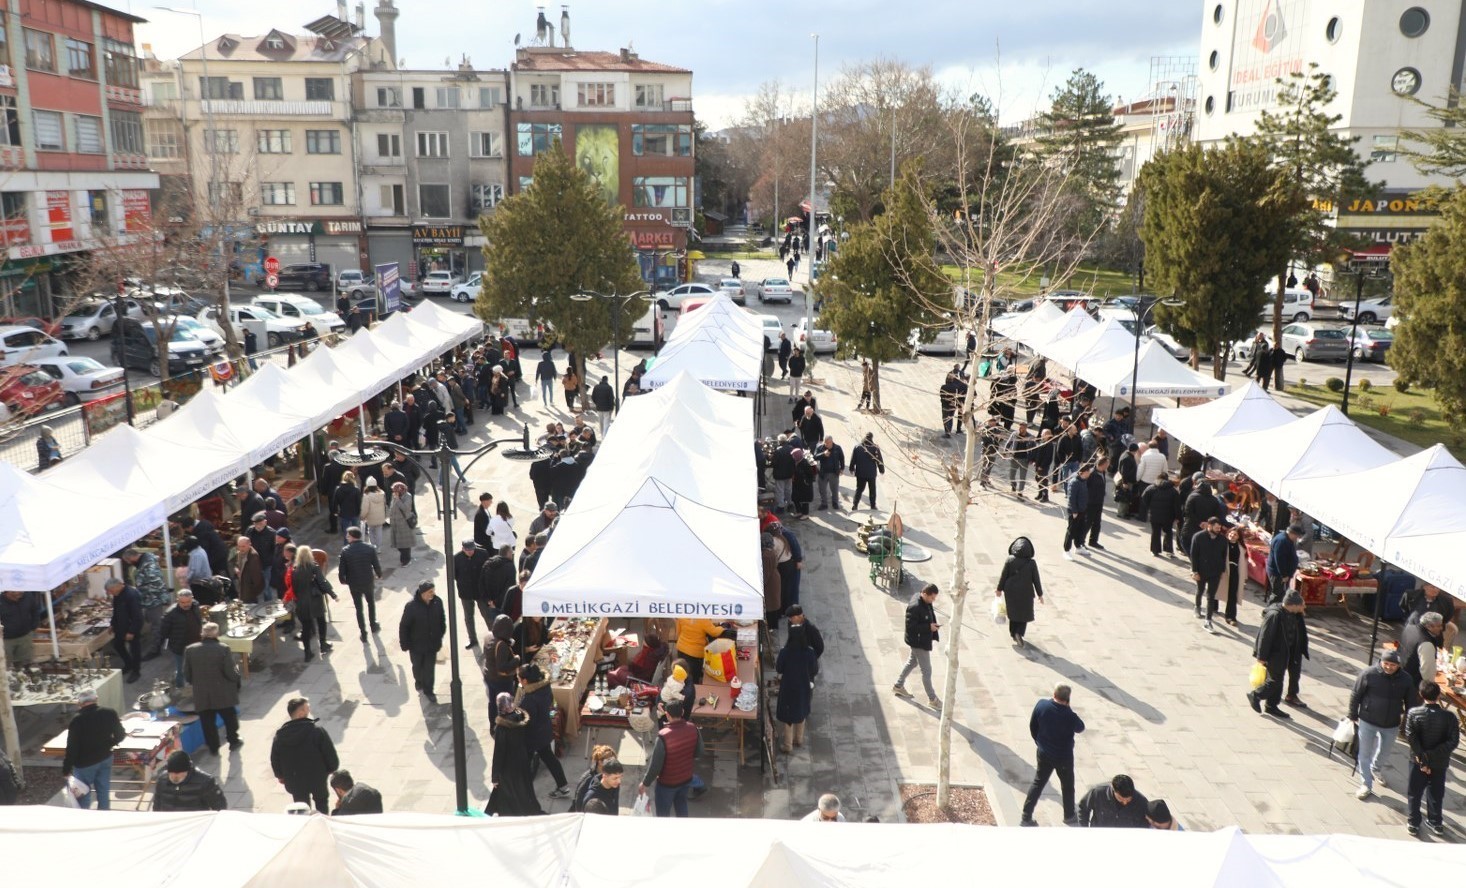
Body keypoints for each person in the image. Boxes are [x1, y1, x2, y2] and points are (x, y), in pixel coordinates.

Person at [1349, 649, 1420, 799]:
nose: (1389, 667)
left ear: (1398, 665)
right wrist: (1352, 714)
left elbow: (1411, 703)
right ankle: (1366, 784)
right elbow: (1356, 694)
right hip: (1368, 720)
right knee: (1364, 754)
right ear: (1380, 662)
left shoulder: (1406, 679)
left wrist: (1412, 722)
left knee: (1385, 751)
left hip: (1392, 723)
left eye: (1392, 665)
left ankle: (1376, 768)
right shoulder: (1368, 674)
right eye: (1386, 663)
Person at [1020, 683, 1085, 826]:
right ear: (1068, 699)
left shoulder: (1042, 705)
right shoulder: (1070, 716)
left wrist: (1039, 742)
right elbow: (1081, 727)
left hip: (1044, 752)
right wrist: (1068, 709)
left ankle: (1026, 816)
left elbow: (1033, 726)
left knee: (1038, 783)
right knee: (1067, 786)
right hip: (1063, 757)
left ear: (1054, 694)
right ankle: (1069, 815)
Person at [1405, 681, 1460, 837]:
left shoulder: (1413, 713)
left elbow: (1411, 736)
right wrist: (1431, 756)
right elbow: (1453, 741)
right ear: (1438, 696)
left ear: (1421, 695)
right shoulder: (1450, 717)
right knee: (1436, 792)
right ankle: (1435, 822)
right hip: (1439, 762)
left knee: (1414, 792)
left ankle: (1413, 822)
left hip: (1417, 760)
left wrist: (1423, 758)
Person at [270, 697, 340, 815]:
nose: (309, 710)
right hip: (317, 777)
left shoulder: (280, 737)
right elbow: (329, 753)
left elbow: (275, 759)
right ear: (300, 712)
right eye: (307, 708)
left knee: (301, 807)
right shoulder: (316, 731)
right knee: (321, 803)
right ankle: (321, 824)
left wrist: (280, 776)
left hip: (295, 780)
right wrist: (331, 768)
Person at [183, 622, 243, 756]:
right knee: (229, 717)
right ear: (216, 634)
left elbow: (187, 673)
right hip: (222, 692)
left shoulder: (190, 649)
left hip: (202, 692)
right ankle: (233, 741)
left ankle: (213, 747)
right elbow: (229, 672)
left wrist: (197, 683)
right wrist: (236, 678)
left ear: (202, 634)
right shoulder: (223, 649)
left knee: (207, 721)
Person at [62, 688, 126, 810]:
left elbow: (72, 747)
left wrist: (66, 768)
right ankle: (103, 818)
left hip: (84, 764)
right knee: (103, 791)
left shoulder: (77, 720)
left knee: (83, 795)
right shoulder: (109, 712)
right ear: (96, 699)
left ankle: (86, 823)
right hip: (105, 758)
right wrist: (109, 744)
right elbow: (120, 735)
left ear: (79, 703)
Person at [639, 699, 704, 818]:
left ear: (667, 714)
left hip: (667, 784)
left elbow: (655, 766)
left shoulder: (663, 736)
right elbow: (699, 752)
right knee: (682, 806)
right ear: (683, 712)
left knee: (663, 815)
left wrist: (645, 783)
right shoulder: (693, 728)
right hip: (686, 778)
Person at [1248, 590, 1306, 719]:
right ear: (1293, 605)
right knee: (1275, 680)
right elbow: (1265, 637)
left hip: (1286, 652)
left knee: (1279, 680)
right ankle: (1256, 695)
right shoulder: (1275, 615)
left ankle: (1271, 706)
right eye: (1301, 605)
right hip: (1275, 653)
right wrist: (1261, 657)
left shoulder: (1293, 614)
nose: (1303, 608)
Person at [516, 663, 571, 798]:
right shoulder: (544, 688)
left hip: (531, 736)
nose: (517, 680)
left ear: (525, 681)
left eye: (519, 678)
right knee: (549, 758)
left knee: (524, 763)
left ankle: (524, 793)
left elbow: (526, 720)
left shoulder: (529, 699)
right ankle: (563, 786)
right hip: (544, 730)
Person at [487, 692, 544, 816]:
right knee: (524, 789)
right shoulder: (521, 718)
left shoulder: (502, 729)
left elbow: (499, 754)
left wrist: (495, 776)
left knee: (507, 792)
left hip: (508, 767)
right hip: (522, 760)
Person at [892, 583, 941, 709]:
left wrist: (932, 625)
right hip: (919, 642)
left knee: (912, 662)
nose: (933, 600)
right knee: (927, 671)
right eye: (932, 598)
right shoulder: (915, 606)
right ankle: (932, 699)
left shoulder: (924, 601)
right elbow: (911, 627)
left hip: (921, 640)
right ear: (924, 594)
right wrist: (928, 627)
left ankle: (898, 685)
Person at [775, 614, 818, 753]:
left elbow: (779, 668)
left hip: (788, 687)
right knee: (801, 711)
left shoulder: (785, 652)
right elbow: (814, 670)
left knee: (788, 716)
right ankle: (798, 739)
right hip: (804, 686)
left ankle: (788, 745)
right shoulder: (810, 652)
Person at [399, 581, 446, 702]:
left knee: (429, 669)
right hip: (416, 645)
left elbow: (442, 619)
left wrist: (440, 633)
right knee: (417, 667)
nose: (433, 593)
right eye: (430, 592)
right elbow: (404, 626)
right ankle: (418, 680)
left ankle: (429, 690)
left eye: (433, 591)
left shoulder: (437, 602)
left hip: (432, 644)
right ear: (423, 593)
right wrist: (404, 643)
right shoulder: (411, 607)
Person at [122, 548, 170, 662]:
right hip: (148, 599)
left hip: (153, 600)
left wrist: (138, 592)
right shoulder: (145, 562)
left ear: (133, 557)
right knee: (153, 623)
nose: (128, 563)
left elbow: (157, 584)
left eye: (128, 561)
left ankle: (155, 649)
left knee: (156, 625)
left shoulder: (148, 566)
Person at [997, 537, 1043, 648]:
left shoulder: (1010, 560)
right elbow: (1036, 579)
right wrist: (1040, 594)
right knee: (1024, 613)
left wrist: (999, 589)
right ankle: (1019, 633)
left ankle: (1013, 633)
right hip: (1026, 592)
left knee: (1013, 612)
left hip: (1011, 591)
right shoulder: (1031, 563)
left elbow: (1004, 576)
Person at [338, 527, 383, 642]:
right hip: (367, 581)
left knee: (359, 608)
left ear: (353, 536)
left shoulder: (346, 551)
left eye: (348, 536)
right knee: (371, 603)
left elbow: (341, 571)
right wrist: (379, 574)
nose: (347, 538)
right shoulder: (370, 548)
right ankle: (373, 625)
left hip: (354, 583)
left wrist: (343, 580)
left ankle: (363, 633)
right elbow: (376, 564)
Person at [151, 751, 227, 812]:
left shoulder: (205, 782)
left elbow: (220, 807)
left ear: (187, 770)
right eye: (172, 774)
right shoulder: (162, 780)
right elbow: (157, 805)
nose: (175, 777)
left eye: (178, 774)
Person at [1189, 516, 1228, 633]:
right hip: (1201, 570)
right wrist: (1194, 571)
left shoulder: (1222, 540)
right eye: (1216, 528)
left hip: (1215, 572)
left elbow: (1223, 556)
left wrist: (1221, 571)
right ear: (1209, 526)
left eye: (1219, 528)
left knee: (1211, 596)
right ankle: (1197, 606)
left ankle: (1208, 620)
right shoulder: (1198, 537)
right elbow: (1194, 555)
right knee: (1200, 590)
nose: (1218, 530)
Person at [158, 589, 203, 687]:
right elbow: (163, 632)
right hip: (180, 647)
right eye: (183, 602)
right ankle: (180, 688)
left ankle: (195, 685)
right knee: (181, 670)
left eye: (188, 602)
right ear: (177, 600)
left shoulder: (195, 605)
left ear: (192, 599)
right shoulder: (170, 613)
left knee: (197, 667)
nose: (186, 604)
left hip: (196, 644)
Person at [485, 615, 522, 731]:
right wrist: (516, 659)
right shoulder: (502, 646)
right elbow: (503, 667)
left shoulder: (488, 636)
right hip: (502, 681)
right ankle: (506, 726)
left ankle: (493, 725)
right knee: (505, 704)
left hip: (490, 676)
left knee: (492, 702)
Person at [1075, 774, 1150, 828]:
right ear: (1114, 790)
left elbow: (1146, 823)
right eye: (1121, 799)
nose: (1125, 803)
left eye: (1128, 800)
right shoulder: (1098, 794)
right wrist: (1084, 830)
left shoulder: (1141, 802)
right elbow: (1083, 808)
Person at [106, 578, 144, 683]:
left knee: (135, 649)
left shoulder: (131, 595)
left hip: (131, 626)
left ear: (118, 586)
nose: (110, 593)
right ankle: (128, 663)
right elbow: (116, 611)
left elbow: (137, 616)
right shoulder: (117, 595)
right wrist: (112, 624)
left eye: (111, 590)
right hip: (120, 626)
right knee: (117, 645)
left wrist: (132, 631)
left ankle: (136, 671)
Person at [453, 540, 489, 648]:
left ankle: (494, 635)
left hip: (480, 591)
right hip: (466, 592)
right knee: (468, 617)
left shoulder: (483, 554)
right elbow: (455, 575)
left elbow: (488, 571)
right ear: (463, 549)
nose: (470, 552)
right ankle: (472, 639)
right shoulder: (456, 558)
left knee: (486, 614)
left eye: (472, 549)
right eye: (468, 550)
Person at [1404, 584, 1458, 652]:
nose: (1436, 589)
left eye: (1438, 587)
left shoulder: (1447, 601)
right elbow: (1405, 608)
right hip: (1414, 633)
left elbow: (1447, 616)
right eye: (1433, 587)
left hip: (1434, 637)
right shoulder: (1411, 595)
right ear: (1425, 587)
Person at [1400, 611, 1447, 688]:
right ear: (1429, 626)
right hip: (1413, 683)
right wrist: (1430, 687)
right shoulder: (1426, 643)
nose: (1441, 628)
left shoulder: (1409, 627)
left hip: (1401, 673)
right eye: (1439, 626)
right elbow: (1427, 670)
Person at [0, 589, 44, 668]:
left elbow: (35, 610)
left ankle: (24, 676)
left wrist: (34, 625)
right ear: (8, 593)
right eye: (15, 595)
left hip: (25, 637)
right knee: (4, 665)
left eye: (20, 594)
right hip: (6, 640)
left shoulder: (28, 596)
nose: (19, 597)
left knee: (25, 663)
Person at [1142, 473, 1180, 557]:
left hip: (1154, 515)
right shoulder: (1173, 491)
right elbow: (1177, 505)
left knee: (1155, 532)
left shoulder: (1151, 488)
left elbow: (1144, 497)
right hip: (1168, 516)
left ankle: (1155, 550)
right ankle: (1169, 550)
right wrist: (1178, 517)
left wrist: (1150, 507)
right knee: (1168, 532)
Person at [1061, 465, 1092, 560]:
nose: (1089, 474)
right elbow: (1071, 498)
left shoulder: (1083, 481)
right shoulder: (1074, 482)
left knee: (1081, 529)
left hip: (1082, 510)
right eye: (1088, 472)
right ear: (1084, 472)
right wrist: (1074, 511)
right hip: (1074, 511)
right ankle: (1066, 550)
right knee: (1071, 531)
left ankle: (1078, 547)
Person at [849, 433, 885, 511]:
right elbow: (879, 460)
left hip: (860, 473)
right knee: (872, 490)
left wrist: (851, 468)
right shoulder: (875, 448)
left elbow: (853, 459)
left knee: (859, 489)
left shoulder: (857, 447)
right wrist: (881, 470)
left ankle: (855, 505)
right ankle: (873, 506)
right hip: (871, 473)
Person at [387, 482, 417, 566]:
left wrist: (397, 499)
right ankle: (405, 558)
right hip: (395, 523)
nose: (393, 492)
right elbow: (392, 507)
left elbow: (405, 508)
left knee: (405, 545)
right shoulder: (394, 496)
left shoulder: (408, 496)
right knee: (398, 544)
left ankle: (406, 560)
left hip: (404, 523)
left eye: (395, 491)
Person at [814, 436, 845, 511]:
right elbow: (814, 457)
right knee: (822, 489)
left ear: (831, 442)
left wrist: (842, 468)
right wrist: (823, 454)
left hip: (834, 473)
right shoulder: (820, 448)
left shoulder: (837, 448)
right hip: (823, 473)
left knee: (834, 489)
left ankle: (835, 503)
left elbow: (842, 458)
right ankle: (824, 504)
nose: (826, 444)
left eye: (828, 443)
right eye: (825, 442)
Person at [1085, 456, 1110, 549]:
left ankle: (1093, 541)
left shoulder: (1103, 472)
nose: (1108, 466)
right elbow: (1085, 486)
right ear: (1102, 464)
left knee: (1097, 523)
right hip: (1091, 502)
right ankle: (1081, 541)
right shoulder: (1091, 473)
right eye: (1107, 464)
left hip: (1099, 501)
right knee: (1087, 523)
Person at [332, 471, 363, 543]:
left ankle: (346, 547)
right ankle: (356, 547)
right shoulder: (356, 490)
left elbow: (335, 502)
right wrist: (359, 512)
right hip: (354, 513)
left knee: (346, 534)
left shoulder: (338, 489)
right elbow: (359, 502)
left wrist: (335, 511)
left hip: (344, 513)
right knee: (356, 533)